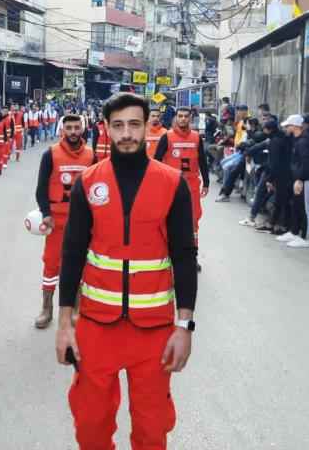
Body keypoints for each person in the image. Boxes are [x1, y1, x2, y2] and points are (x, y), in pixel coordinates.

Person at [56, 92, 197, 450]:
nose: (127, 133)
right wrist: (64, 325)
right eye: (117, 125)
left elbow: (184, 254)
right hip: (97, 329)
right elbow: (72, 253)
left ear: (147, 126)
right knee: (90, 423)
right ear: (105, 129)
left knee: (152, 429)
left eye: (134, 124)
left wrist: (184, 327)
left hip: (154, 332)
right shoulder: (88, 182)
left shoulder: (171, 183)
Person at [33, 114, 93, 329]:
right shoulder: (50, 154)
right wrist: (46, 213)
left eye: (77, 127)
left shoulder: (91, 155)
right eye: (69, 128)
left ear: (82, 129)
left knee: (80, 264)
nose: (74, 132)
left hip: (82, 222)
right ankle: (46, 309)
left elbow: (97, 190)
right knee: (51, 263)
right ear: (62, 130)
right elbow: (41, 189)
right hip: (56, 220)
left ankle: (76, 308)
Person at [155, 107, 210, 270]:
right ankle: (166, 255)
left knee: (192, 223)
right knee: (167, 220)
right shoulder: (167, 137)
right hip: (171, 186)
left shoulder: (196, 138)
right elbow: (156, 161)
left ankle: (192, 257)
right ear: (176, 118)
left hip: (192, 186)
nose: (183, 119)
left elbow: (202, 161)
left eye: (186, 116)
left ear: (191, 118)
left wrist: (206, 182)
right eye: (180, 116)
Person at [280, 114, 309, 248]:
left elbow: (307, 163)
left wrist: (300, 179)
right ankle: (294, 232)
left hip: (302, 180)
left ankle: (305, 238)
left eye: (288, 125)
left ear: (295, 126)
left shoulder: (304, 141)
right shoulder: (297, 140)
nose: (286, 128)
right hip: (297, 179)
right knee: (296, 206)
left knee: (304, 208)